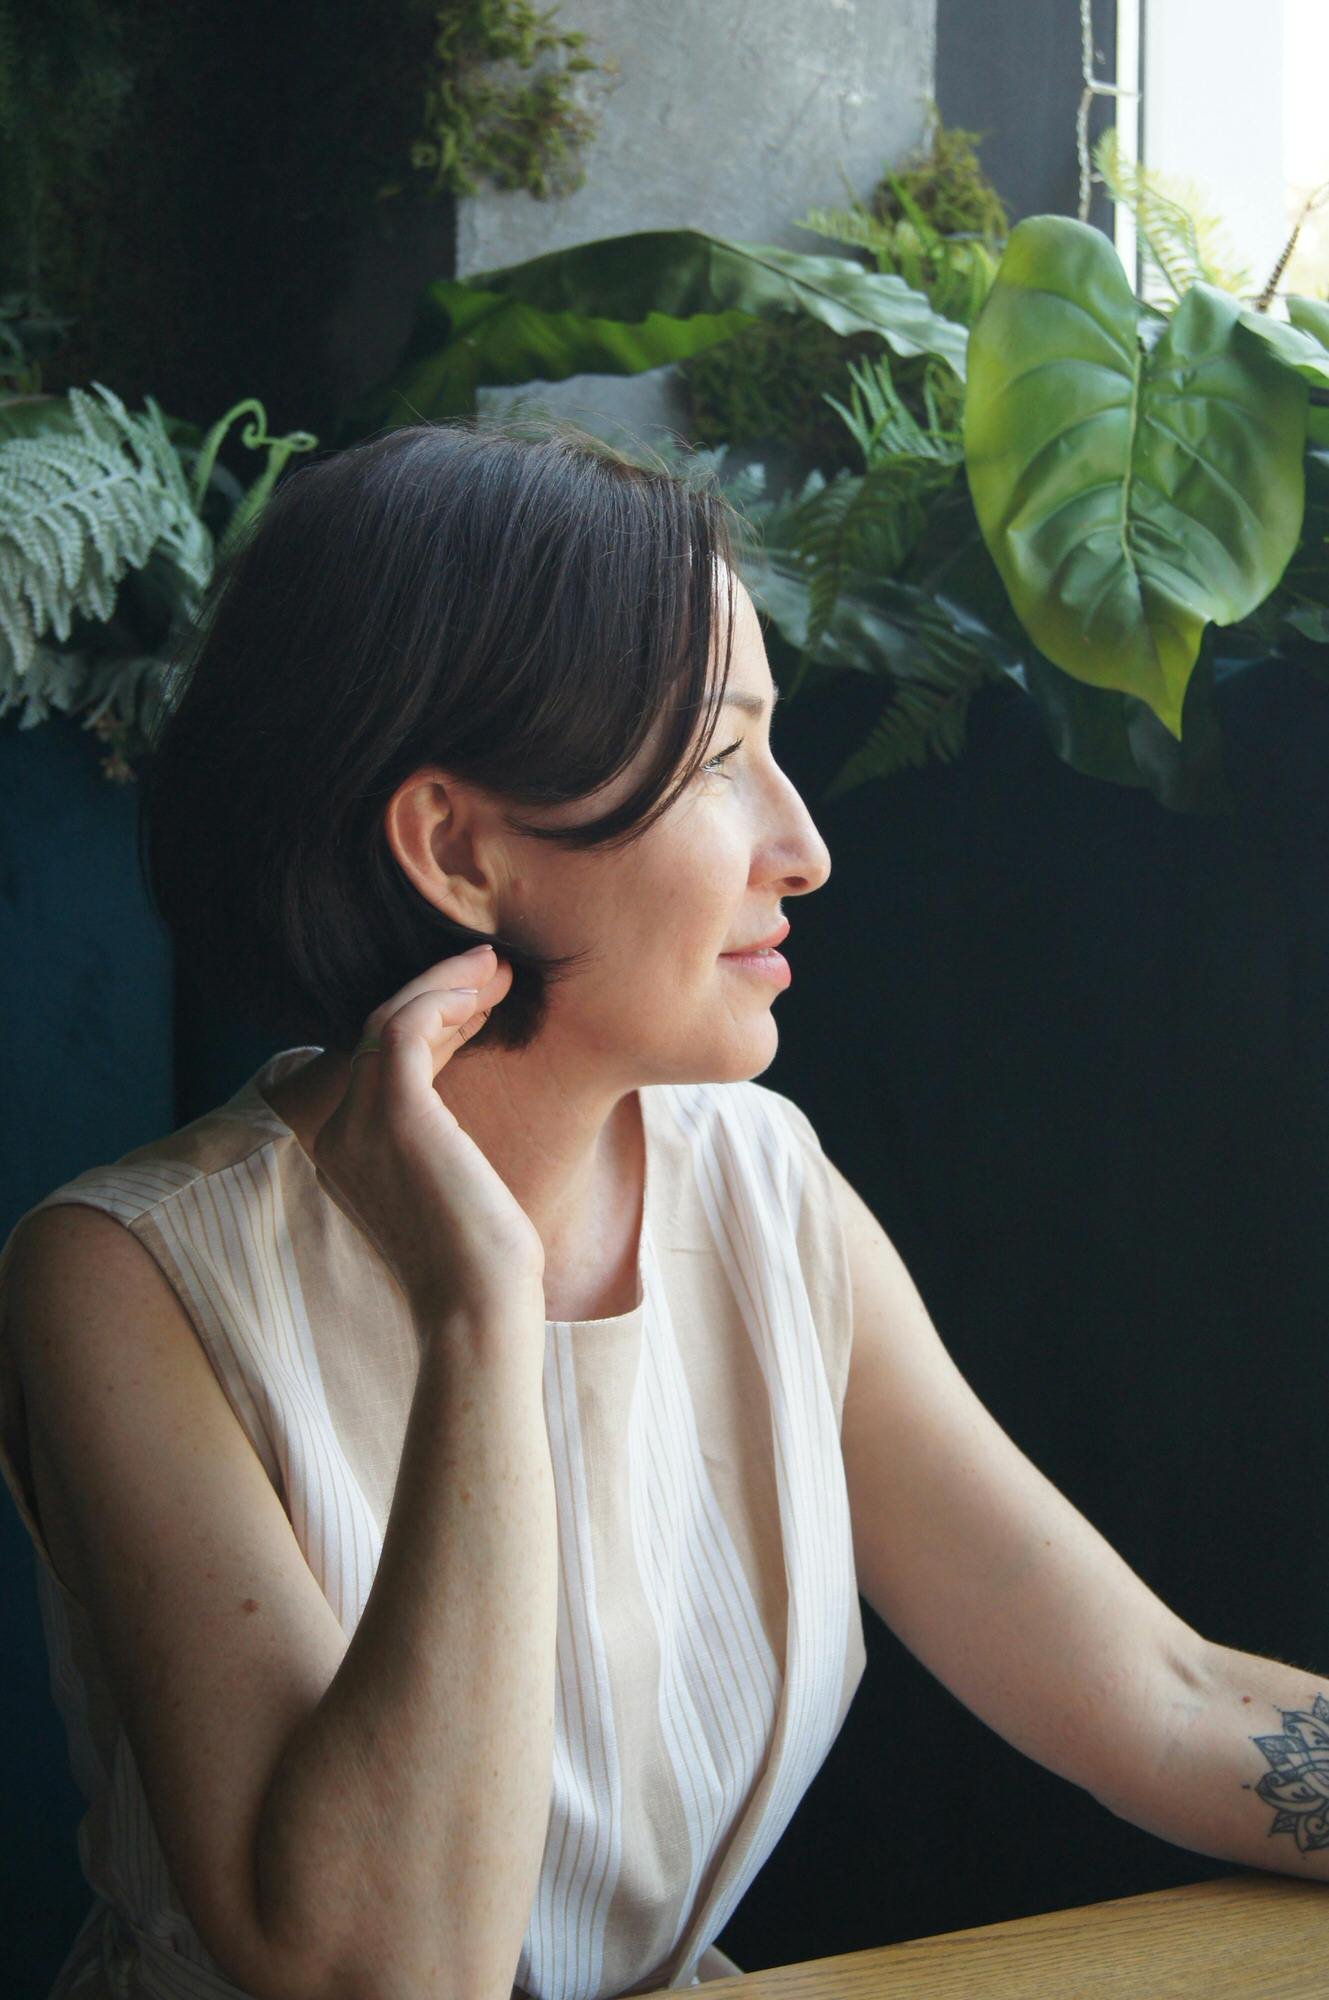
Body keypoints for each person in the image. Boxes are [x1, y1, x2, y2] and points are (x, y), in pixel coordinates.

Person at [0, 420, 1325, 2000]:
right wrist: (480, 1309)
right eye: (716, 760)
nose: (806, 848)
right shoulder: (120, 1279)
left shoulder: (763, 1188)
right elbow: (382, 1970)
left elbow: (1159, 1696)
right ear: (456, 847)